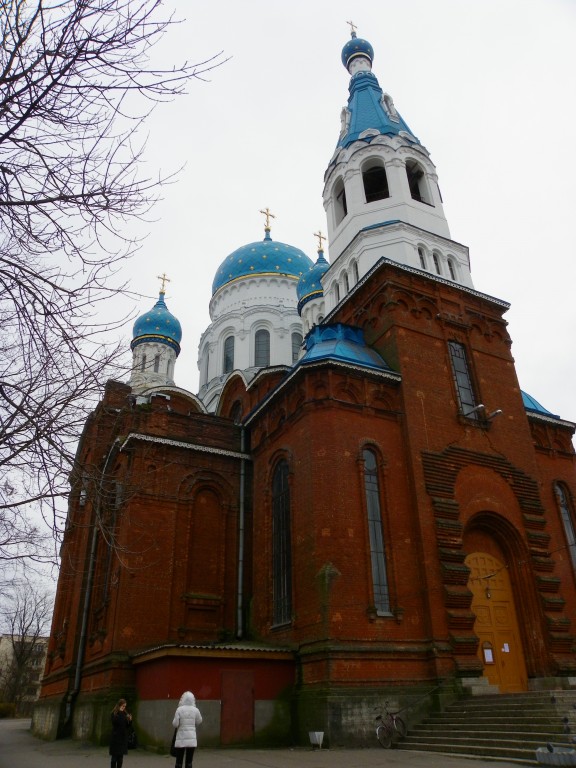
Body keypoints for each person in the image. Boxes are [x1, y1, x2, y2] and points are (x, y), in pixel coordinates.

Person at [172, 691, 202, 768]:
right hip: (191, 739)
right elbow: (199, 721)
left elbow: (175, 724)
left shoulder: (179, 709)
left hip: (181, 739)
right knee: (189, 762)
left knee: (179, 761)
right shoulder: (196, 710)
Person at [109, 698, 132, 768]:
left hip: (122, 738)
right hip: (115, 738)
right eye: (123, 706)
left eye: (125, 706)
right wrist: (120, 712)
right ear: (119, 705)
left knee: (120, 758)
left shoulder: (125, 713)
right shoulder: (114, 713)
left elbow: (127, 726)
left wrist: (130, 720)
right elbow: (115, 723)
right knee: (114, 758)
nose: (124, 707)